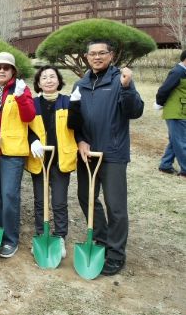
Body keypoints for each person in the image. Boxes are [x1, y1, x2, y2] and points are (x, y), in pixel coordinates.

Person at [68, 39, 144, 276]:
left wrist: (127, 87)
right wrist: (80, 140)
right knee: (85, 197)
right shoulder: (80, 85)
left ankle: (116, 253)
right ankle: (101, 238)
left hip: (113, 153)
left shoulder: (120, 80)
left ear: (111, 55)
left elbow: (135, 111)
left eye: (102, 53)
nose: (97, 57)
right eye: (93, 54)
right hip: (87, 153)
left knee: (116, 206)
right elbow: (74, 119)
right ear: (86, 57)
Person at [0, 51, 36, 258]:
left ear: (13, 71)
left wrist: (21, 97)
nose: (1, 70)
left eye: (6, 67)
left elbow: (29, 116)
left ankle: (10, 238)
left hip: (13, 151)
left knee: (9, 195)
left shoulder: (21, 89)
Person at [26, 65, 77, 259]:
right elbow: (26, 127)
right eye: (44, 77)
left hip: (60, 160)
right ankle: (41, 234)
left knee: (59, 201)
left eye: (52, 76)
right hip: (39, 159)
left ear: (59, 80)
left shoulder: (68, 101)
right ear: (38, 83)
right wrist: (33, 140)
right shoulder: (33, 103)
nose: (48, 80)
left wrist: (77, 107)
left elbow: (77, 126)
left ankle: (60, 236)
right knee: (40, 201)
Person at [155, 49, 186, 176]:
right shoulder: (177, 72)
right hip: (175, 112)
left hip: (181, 111)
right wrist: (159, 103)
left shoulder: (183, 71)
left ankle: (165, 165)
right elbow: (163, 90)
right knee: (181, 141)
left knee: (176, 140)